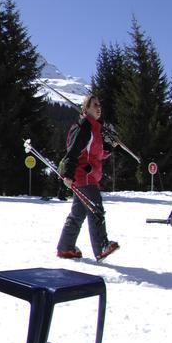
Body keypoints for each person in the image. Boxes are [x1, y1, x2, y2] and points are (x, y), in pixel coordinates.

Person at [56, 95, 119, 261]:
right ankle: (101, 246)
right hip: (84, 176)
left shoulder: (94, 128)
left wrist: (109, 147)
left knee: (78, 213)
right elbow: (73, 150)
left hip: (88, 175)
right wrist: (68, 174)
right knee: (95, 208)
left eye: (100, 105)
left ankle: (65, 247)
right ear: (86, 109)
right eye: (94, 105)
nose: (99, 107)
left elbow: (96, 154)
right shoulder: (84, 126)